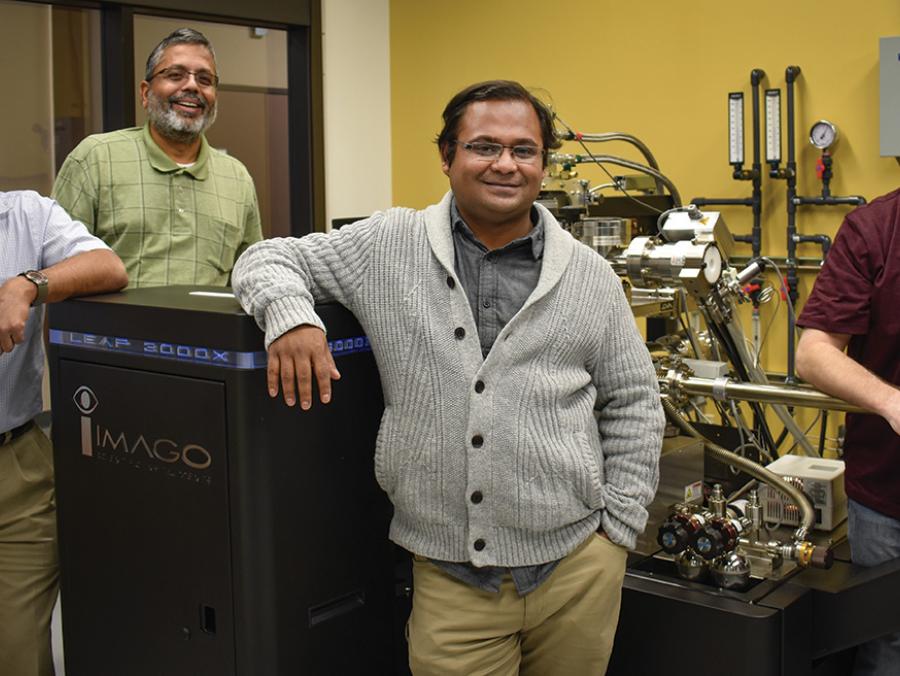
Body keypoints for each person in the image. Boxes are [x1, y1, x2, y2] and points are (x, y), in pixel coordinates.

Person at [232, 80, 664, 675]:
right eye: (484, 146)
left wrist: (619, 528)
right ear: (447, 156)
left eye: (524, 150)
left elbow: (634, 401)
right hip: (452, 580)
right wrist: (291, 318)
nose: (506, 164)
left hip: (577, 570)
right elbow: (266, 257)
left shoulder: (588, 275)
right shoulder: (389, 244)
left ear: (544, 163)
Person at [0, 190, 128, 676]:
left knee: (19, 654)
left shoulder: (24, 215)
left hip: (16, 469)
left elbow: (108, 266)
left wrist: (27, 283)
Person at [52, 27, 261, 288]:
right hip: (114, 329)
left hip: (209, 330)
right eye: (175, 75)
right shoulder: (96, 158)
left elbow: (252, 277)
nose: (192, 86)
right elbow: (54, 265)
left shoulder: (237, 178)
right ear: (145, 92)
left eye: (205, 80)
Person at [796, 188, 900, 676]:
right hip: (888, 498)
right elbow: (813, 353)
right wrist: (891, 401)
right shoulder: (875, 228)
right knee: (888, 644)